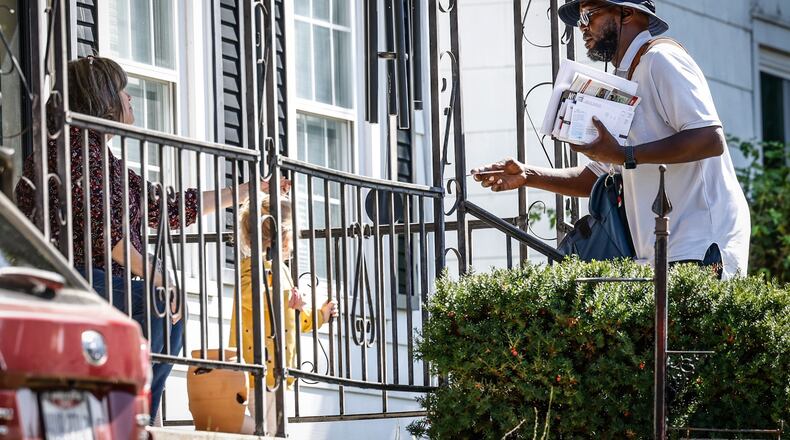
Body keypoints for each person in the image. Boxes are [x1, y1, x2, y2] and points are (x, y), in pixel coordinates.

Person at [14, 56, 283, 421]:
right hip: (72, 279)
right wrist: (163, 279)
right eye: (124, 92)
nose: (131, 99)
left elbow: (165, 206)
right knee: (159, 305)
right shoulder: (79, 155)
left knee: (160, 309)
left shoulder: (97, 157)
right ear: (104, 100)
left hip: (88, 280)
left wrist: (244, 192)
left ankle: (133, 411)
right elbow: (110, 236)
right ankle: (133, 415)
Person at [472, 0, 750, 279]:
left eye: (589, 14)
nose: (582, 26)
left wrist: (625, 155)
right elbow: (599, 175)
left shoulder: (661, 59)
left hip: (700, 245)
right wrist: (528, 175)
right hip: (662, 251)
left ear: (627, 13)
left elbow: (709, 139)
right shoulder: (626, 77)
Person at [229, 194, 337, 434]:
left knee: (274, 428)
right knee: (268, 430)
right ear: (285, 238)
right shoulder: (252, 265)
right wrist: (286, 296)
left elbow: (294, 317)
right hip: (258, 366)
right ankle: (229, 426)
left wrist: (321, 314)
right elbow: (250, 296)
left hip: (279, 368)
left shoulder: (283, 270)